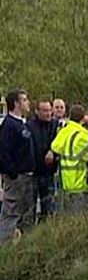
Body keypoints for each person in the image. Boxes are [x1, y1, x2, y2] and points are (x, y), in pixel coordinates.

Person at [0, 89, 35, 244]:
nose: (28, 103)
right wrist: (12, 173)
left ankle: (25, 247)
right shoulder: (9, 126)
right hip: (16, 177)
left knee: (26, 214)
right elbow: (4, 151)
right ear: (16, 103)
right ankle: (4, 247)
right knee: (11, 213)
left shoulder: (22, 123)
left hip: (27, 175)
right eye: (25, 100)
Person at [51, 105, 88, 214]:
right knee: (80, 217)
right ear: (83, 118)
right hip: (80, 182)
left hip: (65, 180)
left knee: (67, 215)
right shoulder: (84, 136)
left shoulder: (64, 131)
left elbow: (55, 146)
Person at [27, 99, 59, 221]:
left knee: (48, 207)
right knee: (30, 208)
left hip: (49, 172)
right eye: (44, 111)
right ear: (37, 111)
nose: (48, 114)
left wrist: (53, 151)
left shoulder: (55, 125)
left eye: (49, 110)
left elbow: (60, 143)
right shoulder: (30, 126)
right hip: (33, 173)